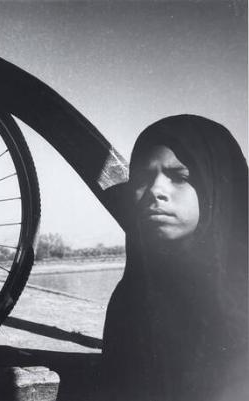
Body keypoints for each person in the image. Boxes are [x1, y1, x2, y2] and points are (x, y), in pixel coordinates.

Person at [101, 115, 248, 401]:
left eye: (179, 177)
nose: (156, 191)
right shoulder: (131, 298)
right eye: (142, 178)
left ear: (217, 185)